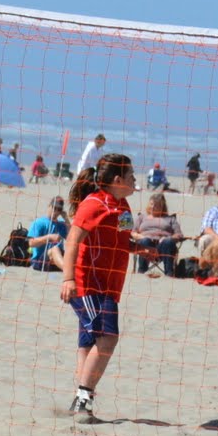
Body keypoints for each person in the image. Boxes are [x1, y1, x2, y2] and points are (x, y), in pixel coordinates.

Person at [60, 153, 138, 417]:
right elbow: (72, 241)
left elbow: (124, 238)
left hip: (110, 286)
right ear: (118, 179)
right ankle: (83, 400)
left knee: (89, 342)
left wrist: (140, 247)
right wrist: (68, 278)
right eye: (131, 176)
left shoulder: (123, 205)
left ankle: (82, 402)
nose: (135, 179)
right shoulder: (93, 204)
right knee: (108, 338)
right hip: (88, 284)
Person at [130, 192, 183, 276]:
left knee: (168, 242)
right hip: (146, 244)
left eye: (156, 205)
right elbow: (133, 233)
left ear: (162, 207)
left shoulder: (170, 219)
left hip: (163, 246)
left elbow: (179, 235)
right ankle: (141, 271)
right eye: (151, 204)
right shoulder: (142, 217)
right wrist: (142, 237)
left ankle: (169, 273)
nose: (153, 207)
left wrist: (168, 238)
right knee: (145, 241)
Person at [27, 196, 69, 271]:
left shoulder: (61, 225)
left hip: (57, 261)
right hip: (40, 261)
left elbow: (72, 239)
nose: (55, 211)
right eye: (54, 207)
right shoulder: (39, 222)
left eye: (59, 209)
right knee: (54, 249)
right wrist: (49, 237)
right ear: (49, 206)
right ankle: (68, 270)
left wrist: (66, 219)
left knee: (72, 252)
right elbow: (31, 243)